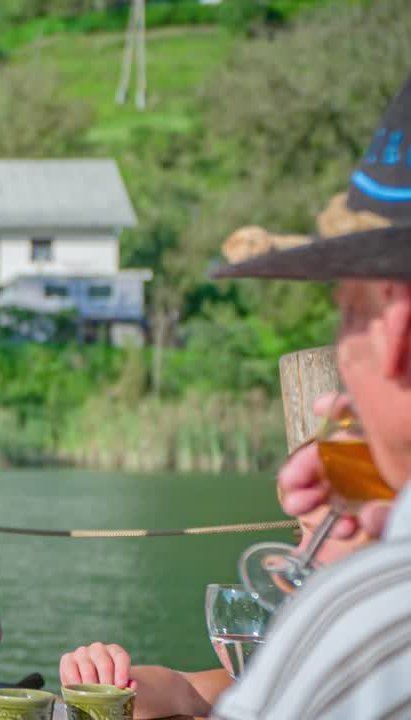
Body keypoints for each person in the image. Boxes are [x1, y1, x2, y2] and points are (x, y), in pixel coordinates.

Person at [199, 75, 411, 718]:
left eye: (347, 314)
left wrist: (348, 583)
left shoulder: (373, 618)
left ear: (395, 326)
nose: (333, 399)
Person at [57, 505, 369, 718]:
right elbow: (186, 690)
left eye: (322, 534)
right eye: (301, 535)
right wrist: (109, 677)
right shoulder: (306, 663)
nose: (297, 559)